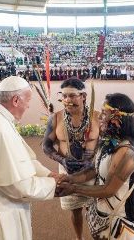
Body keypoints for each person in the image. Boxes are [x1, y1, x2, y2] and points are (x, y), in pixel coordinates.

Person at [0, 76, 59, 240]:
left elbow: (20, 156)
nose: (28, 106)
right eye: (27, 101)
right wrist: (54, 184)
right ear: (16, 100)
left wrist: (47, 174)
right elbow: (16, 186)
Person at [57, 93, 134, 240]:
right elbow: (94, 169)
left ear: (117, 118)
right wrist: (69, 178)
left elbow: (108, 190)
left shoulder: (127, 153)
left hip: (122, 226)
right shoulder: (108, 142)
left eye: (104, 113)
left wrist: (73, 188)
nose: (99, 117)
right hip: (106, 218)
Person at [42, 77, 100, 240]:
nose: (67, 100)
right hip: (69, 173)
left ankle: (96, 236)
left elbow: (106, 145)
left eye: (72, 96)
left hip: (92, 172)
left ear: (83, 96)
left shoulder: (97, 117)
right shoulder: (56, 118)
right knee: (75, 210)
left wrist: (94, 160)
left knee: (94, 208)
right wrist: (63, 160)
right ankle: (79, 238)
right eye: (64, 96)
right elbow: (46, 146)